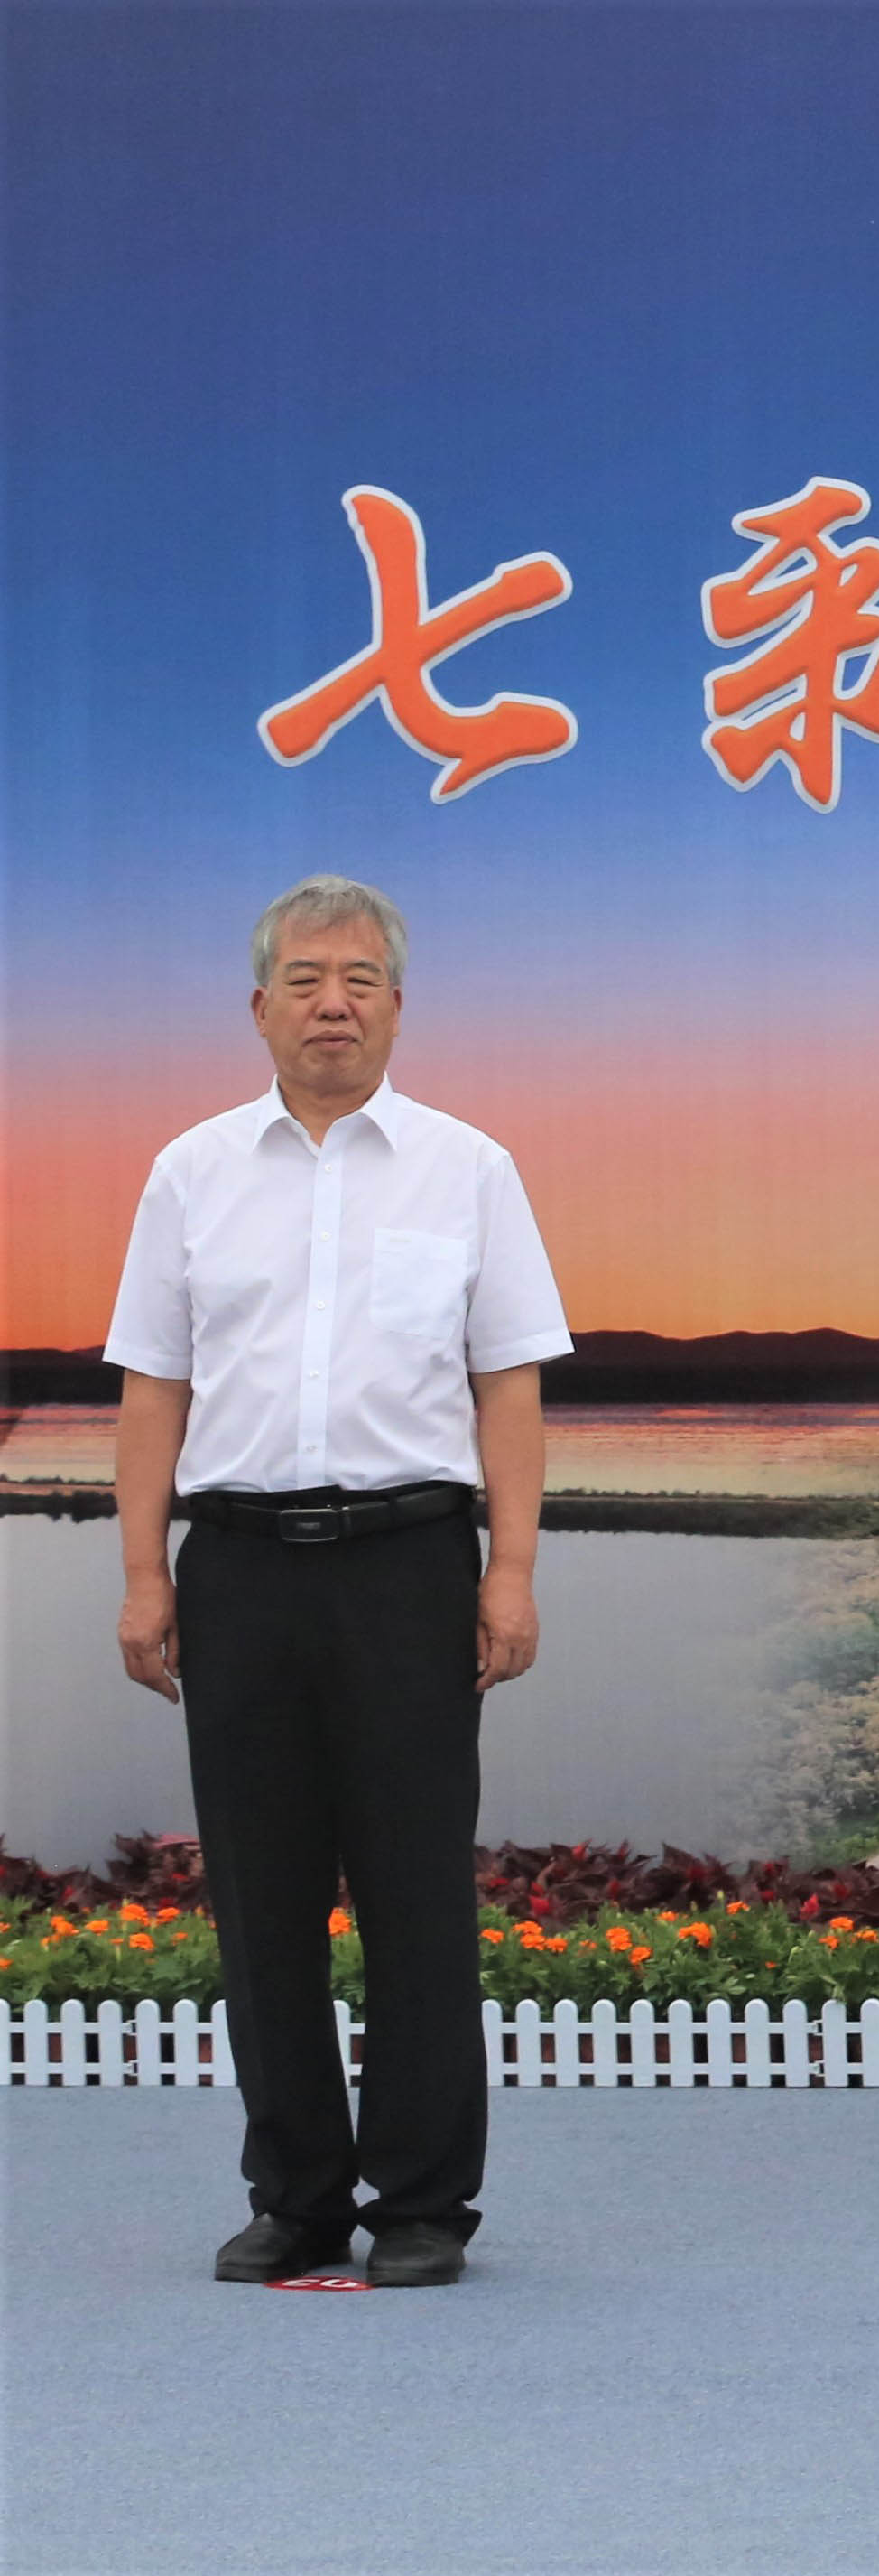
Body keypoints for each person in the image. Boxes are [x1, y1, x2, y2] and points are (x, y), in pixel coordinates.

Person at [106, 876, 571, 2289]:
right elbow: (153, 1387)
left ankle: (423, 2201)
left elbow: (507, 1384)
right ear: (259, 1006)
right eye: (306, 979)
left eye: (360, 980)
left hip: (409, 1565)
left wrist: (511, 1567)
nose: (333, 1003)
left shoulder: (467, 1167)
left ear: (397, 1007)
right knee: (262, 1898)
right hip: (239, 1568)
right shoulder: (191, 1171)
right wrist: (142, 1573)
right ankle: (296, 2195)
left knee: (416, 1889)